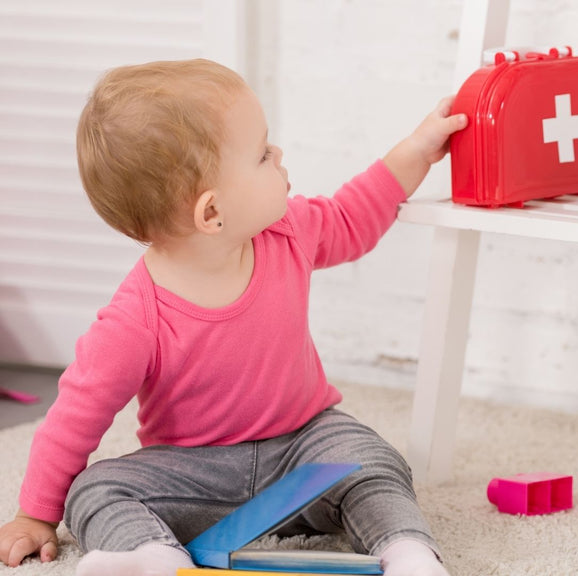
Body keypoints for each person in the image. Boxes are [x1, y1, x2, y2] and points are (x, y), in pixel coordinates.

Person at [0, 58, 467, 576]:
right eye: (263, 154)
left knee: (371, 458)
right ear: (212, 212)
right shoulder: (135, 319)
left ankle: (406, 552)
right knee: (94, 491)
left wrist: (415, 154)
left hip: (304, 445)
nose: (280, 154)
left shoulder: (288, 231)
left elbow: (350, 217)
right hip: (196, 475)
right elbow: (75, 416)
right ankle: (152, 557)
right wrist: (34, 513)